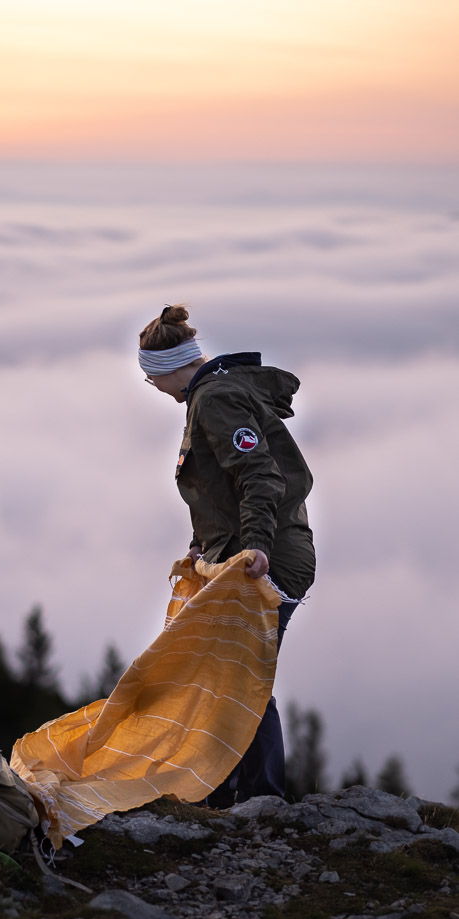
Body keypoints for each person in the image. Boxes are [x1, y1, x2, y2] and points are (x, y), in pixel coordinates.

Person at [138, 304, 315, 807]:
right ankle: (234, 796)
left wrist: (256, 545)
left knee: (236, 675)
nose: (151, 388)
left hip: (271, 555)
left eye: (148, 377)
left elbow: (259, 477)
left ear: (165, 370)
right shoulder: (214, 392)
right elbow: (222, 487)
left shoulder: (214, 398)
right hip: (249, 548)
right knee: (222, 670)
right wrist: (203, 546)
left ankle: (257, 801)